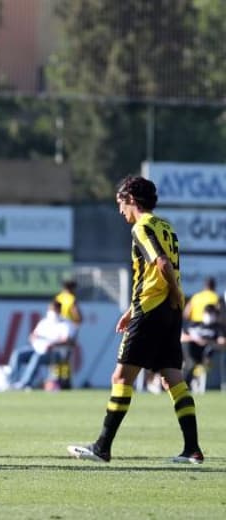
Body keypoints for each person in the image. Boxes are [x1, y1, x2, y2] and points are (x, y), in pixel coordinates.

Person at [68, 175, 204, 464]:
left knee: (121, 378)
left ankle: (102, 447)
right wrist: (134, 309)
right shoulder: (166, 226)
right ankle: (192, 449)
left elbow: (161, 264)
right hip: (169, 311)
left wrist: (172, 292)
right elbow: (154, 274)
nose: (120, 210)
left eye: (120, 203)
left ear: (131, 199)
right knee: (173, 378)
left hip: (153, 309)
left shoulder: (142, 227)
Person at [6, 300, 74, 390]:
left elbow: (67, 340)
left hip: (55, 353)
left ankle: (25, 383)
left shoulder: (65, 324)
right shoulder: (44, 322)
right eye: (51, 310)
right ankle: (11, 382)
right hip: (37, 349)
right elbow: (33, 335)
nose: (52, 312)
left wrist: (53, 345)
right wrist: (33, 338)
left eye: (54, 310)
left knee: (37, 357)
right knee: (18, 354)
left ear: (59, 310)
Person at [180, 304, 225, 393]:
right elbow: (182, 337)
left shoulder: (218, 327)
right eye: (208, 313)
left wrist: (206, 341)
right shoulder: (194, 324)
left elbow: (222, 341)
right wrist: (196, 339)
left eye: (211, 313)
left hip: (207, 352)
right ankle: (185, 383)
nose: (209, 316)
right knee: (190, 358)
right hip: (191, 350)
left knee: (196, 360)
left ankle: (187, 383)